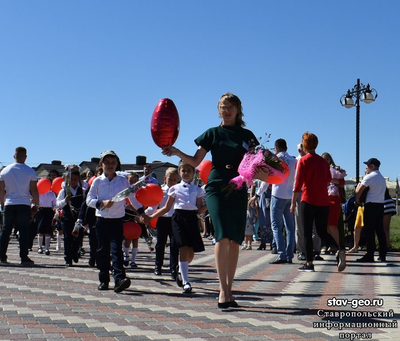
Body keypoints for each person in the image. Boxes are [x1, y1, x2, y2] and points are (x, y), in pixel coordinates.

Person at [161, 92, 268, 308]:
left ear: (238, 110)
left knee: (235, 239)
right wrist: (175, 151)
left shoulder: (247, 136)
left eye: (230, 107)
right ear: (218, 110)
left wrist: (266, 170)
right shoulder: (212, 133)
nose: (226, 110)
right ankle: (223, 290)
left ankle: (230, 289)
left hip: (238, 187)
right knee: (221, 236)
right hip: (216, 186)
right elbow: (195, 160)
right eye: (222, 107)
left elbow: (258, 165)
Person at [86, 150, 148, 293]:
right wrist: (101, 203)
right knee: (102, 251)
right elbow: (89, 200)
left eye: (113, 162)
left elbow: (131, 198)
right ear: (101, 164)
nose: (110, 165)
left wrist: (141, 212)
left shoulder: (122, 180)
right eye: (106, 162)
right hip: (101, 220)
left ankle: (120, 278)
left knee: (116, 250)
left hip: (117, 221)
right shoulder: (97, 181)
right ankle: (104, 280)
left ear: (117, 164)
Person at [148, 160, 207, 293]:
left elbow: (199, 209)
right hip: (178, 218)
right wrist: (152, 217)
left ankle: (181, 270)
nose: (186, 173)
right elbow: (166, 207)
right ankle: (186, 282)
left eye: (189, 171)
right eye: (183, 170)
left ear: (193, 173)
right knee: (183, 247)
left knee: (190, 252)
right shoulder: (174, 189)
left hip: (191, 218)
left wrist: (210, 203)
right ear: (180, 172)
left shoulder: (197, 190)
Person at [290, 132, 331, 272]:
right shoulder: (324, 162)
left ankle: (309, 263)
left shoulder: (303, 161)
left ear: (305, 145)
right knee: (321, 231)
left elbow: (297, 184)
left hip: (308, 200)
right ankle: (338, 249)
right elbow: (328, 180)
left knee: (306, 232)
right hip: (323, 201)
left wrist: (292, 202)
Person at [0, 147, 39, 265]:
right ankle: (24, 257)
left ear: (14, 156)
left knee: (6, 230)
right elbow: (34, 190)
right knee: (24, 231)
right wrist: (36, 204)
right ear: (25, 157)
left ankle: (1, 256)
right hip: (24, 203)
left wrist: (2, 203)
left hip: (9, 203)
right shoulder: (30, 171)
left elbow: (1, 190)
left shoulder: (4, 171)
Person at [267, 139, 296, 264]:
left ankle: (281, 254)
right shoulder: (294, 161)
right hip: (289, 195)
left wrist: (257, 194)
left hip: (278, 194)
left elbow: (267, 178)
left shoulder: (274, 159)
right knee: (290, 226)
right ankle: (290, 254)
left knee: (276, 226)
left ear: (276, 148)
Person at [149, 167, 179, 278]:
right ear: (165, 178)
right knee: (160, 244)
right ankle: (158, 266)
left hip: (174, 219)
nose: (173, 182)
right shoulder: (160, 190)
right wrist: (146, 215)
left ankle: (173, 269)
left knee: (174, 244)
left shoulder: (178, 190)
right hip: (162, 219)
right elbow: (153, 205)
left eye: (175, 180)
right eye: (170, 179)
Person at [355, 158, 387, 262]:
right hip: (380, 205)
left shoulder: (369, 177)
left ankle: (370, 254)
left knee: (369, 231)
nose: (367, 168)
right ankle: (383, 254)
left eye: (368, 165)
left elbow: (359, 190)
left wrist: (358, 201)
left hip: (370, 206)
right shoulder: (382, 178)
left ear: (372, 166)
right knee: (380, 230)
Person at [320, 152, 347, 271]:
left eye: (327, 159)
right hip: (322, 198)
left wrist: (331, 179)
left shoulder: (336, 170)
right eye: (323, 159)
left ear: (331, 160)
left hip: (334, 199)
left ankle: (338, 247)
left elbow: (342, 183)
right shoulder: (319, 169)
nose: (325, 161)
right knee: (325, 226)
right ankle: (332, 246)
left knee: (332, 224)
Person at [56, 170, 85, 267]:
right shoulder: (64, 191)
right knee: (68, 237)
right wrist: (65, 200)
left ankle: (75, 252)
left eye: (75, 179)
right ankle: (68, 258)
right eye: (71, 179)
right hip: (67, 217)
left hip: (78, 218)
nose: (73, 181)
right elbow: (58, 204)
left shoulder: (83, 191)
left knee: (78, 237)